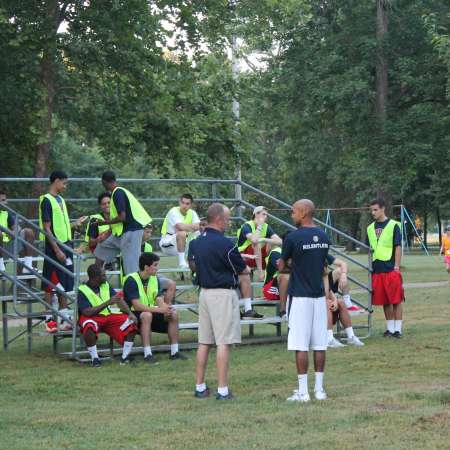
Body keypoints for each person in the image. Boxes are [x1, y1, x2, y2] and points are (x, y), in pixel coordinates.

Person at [188, 203, 250, 400]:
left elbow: (193, 265)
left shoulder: (196, 242)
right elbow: (242, 270)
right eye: (228, 219)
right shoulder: (226, 244)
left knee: (204, 342)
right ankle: (222, 390)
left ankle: (200, 387)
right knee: (223, 342)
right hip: (222, 294)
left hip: (204, 293)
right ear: (220, 219)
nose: (229, 223)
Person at [279, 199, 331, 403]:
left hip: (300, 296)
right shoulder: (325, 236)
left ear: (302, 213)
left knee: (300, 344)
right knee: (319, 345)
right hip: (318, 296)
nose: (291, 215)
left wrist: (290, 266)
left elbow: (282, 266)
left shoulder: (292, 237)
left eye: (293, 211)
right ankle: (319, 390)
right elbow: (323, 267)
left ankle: (303, 392)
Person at [38, 170, 86, 332]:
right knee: (50, 284)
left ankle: (64, 320)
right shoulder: (46, 200)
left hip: (66, 246)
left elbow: (62, 225)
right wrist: (57, 249)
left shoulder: (61, 200)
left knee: (65, 283)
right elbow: (47, 228)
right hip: (54, 248)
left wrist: (75, 224)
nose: (65, 186)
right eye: (64, 183)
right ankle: (49, 322)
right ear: (56, 181)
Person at [123, 252, 186, 363]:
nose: (158, 268)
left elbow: (158, 298)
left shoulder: (154, 279)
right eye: (155, 265)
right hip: (133, 315)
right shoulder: (131, 280)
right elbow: (137, 306)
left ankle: (174, 352)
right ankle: (148, 354)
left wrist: (166, 309)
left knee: (173, 314)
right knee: (147, 315)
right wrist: (160, 309)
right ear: (146, 267)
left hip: (149, 312)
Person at [78, 264, 138, 367]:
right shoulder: (82, 290)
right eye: (103, 275)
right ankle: (95, 359)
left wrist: (130, 313)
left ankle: (125, 357)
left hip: (108, 317)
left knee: (131, 322)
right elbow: (87, 312)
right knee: (88, 326)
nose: (105, 277)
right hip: (91, 317)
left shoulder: (105, 284)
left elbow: (118, 299)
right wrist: (107, 303)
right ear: (95, 278)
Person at [94, 171, 152, 275]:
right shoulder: (117, 193)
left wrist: (104, 222)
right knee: (102, 246)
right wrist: (106, 235)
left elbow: (122, 217)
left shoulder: (118, 193)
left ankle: (137, 287)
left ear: (104, 182)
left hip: (131, 232)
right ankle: (95, 277)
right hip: (122, 233)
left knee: (131, 267)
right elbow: (119, 221)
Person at [367, 198, 404, 338]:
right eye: (371, 210)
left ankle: (398, 330)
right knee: (385, 301)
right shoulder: (370, 228)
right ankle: (390, 328)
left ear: (383, 209)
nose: (373, 212)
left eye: (375, 209)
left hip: (391, 268)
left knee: (396, 300)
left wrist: (397, 266)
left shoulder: (394, 225)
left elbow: (398, 246)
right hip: (377, 269)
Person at [325, 259, 364, 348]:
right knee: (327, 303)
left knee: (341, 303)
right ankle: (329, 339)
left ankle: (351, 337)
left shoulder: (323, 252)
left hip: (325, 294)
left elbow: (327, 288)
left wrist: (334, 300)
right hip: (312, 299)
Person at [236, 206, 282, 281]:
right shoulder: (246, 226)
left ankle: (271, 270)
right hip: (245, 256)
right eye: (263, 214)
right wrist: (260, 225)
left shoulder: (266, 227)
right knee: (257, 242)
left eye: (266, 215)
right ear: (256, 214)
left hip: (258, 257)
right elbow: (254, 240)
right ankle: (260, 273)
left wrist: (264, 239)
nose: (266, 217)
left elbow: (280, 241)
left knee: (272, 242)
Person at [159, 193, 200, 268]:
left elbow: (199, 226)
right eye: (183, 203)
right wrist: (192, 228)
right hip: (168, 244)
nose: (184, 205)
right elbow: (180, 227)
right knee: (182, 233)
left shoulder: (192, 213)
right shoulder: (173, 211)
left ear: (191, 205)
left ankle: (196, 260)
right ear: (179, 202)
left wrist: (188, 228)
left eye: (187, 204)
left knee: (198, 233)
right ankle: (182, 263)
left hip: (183, 244)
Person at [0, 190, 36, 274]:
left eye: (5, 199)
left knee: (28, 231)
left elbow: (17, 228)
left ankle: (28, 267)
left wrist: (13, 233)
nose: (6, 202)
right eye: (3, 200)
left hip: (7, 245)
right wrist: (11, 232)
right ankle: (1, 267)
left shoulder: (6, 212)